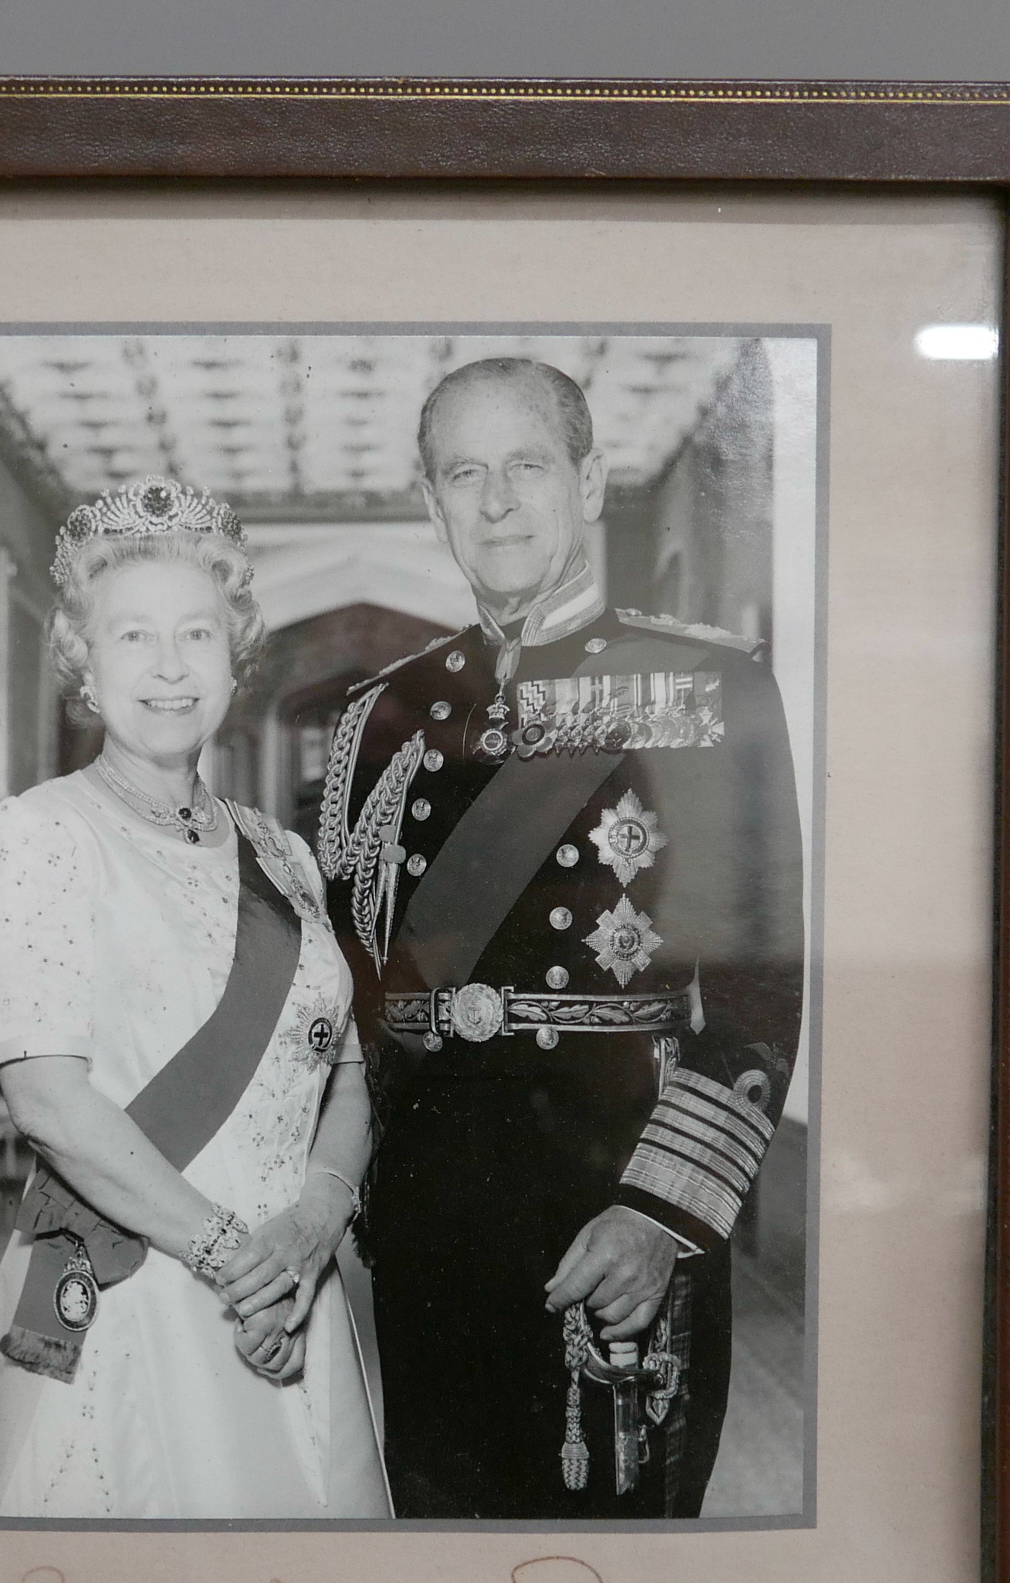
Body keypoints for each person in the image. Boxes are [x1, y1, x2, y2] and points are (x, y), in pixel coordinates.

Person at [320, 357, 803, 1518]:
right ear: (432, 503)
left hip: (615, 1202)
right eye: (462, 474)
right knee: (447, 1567)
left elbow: (753, 991)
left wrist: (662, 1212)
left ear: (587, 481)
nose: (493, 504)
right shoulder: (381, 718)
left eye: (525, 466)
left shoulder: (705, 687)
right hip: (431, 1222)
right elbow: (343, 995)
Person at [0, 479, 389, 1520]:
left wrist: (315, 1223)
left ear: (234, 657)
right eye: (133, 636)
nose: (168, 666)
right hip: (141, 1286)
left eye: (196, 634)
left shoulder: (280, 852)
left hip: (295, 1285)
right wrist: (230, 1260)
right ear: (85, 660)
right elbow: (45, 1099)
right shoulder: (42, 832)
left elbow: (342, 1064)